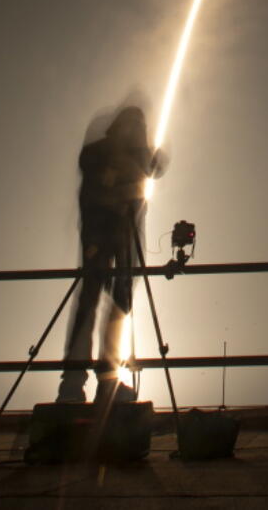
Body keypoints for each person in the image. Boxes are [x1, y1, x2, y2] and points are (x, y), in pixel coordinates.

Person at [57, 106, 163, 404]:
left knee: (119, 303)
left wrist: (139, 157)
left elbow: (156, 165)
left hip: (124, 242)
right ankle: (73, 381)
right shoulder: (99, 153)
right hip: (100, 237)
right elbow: (93, 175)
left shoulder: (134, 156)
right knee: (90, 300)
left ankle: (107, 380)